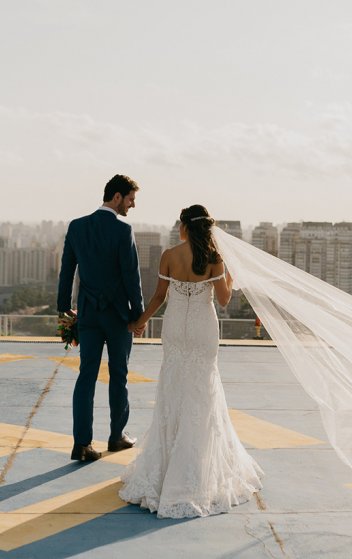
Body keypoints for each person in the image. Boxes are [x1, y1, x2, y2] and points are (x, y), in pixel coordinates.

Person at [118, 205, 263, 518]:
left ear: (184, 226)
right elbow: (224, 300)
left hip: (175, 328)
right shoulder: (214, 258)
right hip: (202, 329)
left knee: (173, 389)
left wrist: (139, 322)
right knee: (202, 392)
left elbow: (158, 297)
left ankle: (164, 469)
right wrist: (231, 272)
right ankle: (196, 469)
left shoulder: (170, 254)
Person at [57, 174, 145, 462]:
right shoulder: (123, 231)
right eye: (130, 199)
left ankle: (81, 444)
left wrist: (64, 307)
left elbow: (67, 270)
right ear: (117, 197)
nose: (132, 205)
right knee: (118, 375)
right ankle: (117, 436)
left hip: (88, 314)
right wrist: (138, 316)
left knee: (86, 376)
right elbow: (132, 277)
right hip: (118, 316)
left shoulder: (77, 226)